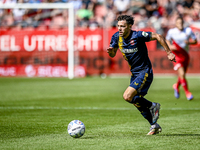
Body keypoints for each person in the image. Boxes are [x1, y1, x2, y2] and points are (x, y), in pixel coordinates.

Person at [107, 15, 175, 135]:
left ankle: (153, 105)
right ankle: (154, 125)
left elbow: (158, 36)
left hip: (144, 72)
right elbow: (112, 54)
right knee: (135, 100)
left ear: (129, 26)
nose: (119, 29)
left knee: (127, 96)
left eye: (122, 26)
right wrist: (112, 52)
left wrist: (169, 53)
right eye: (118, 26)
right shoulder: (116, 37)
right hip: (134, 73)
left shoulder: (138, 36)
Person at [166, 16, 197, 101]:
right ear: (175, 24)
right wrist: (170, 46)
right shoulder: (172, 32)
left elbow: (195, 41)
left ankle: (176, 86)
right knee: (182, 74)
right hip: (176, 56)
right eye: (178, 23)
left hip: (185, 55)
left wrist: (189, 42)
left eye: (181, 23)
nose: (180, 24)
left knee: (182, 75)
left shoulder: (188, 30)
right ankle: (188, 93)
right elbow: (167, 40)